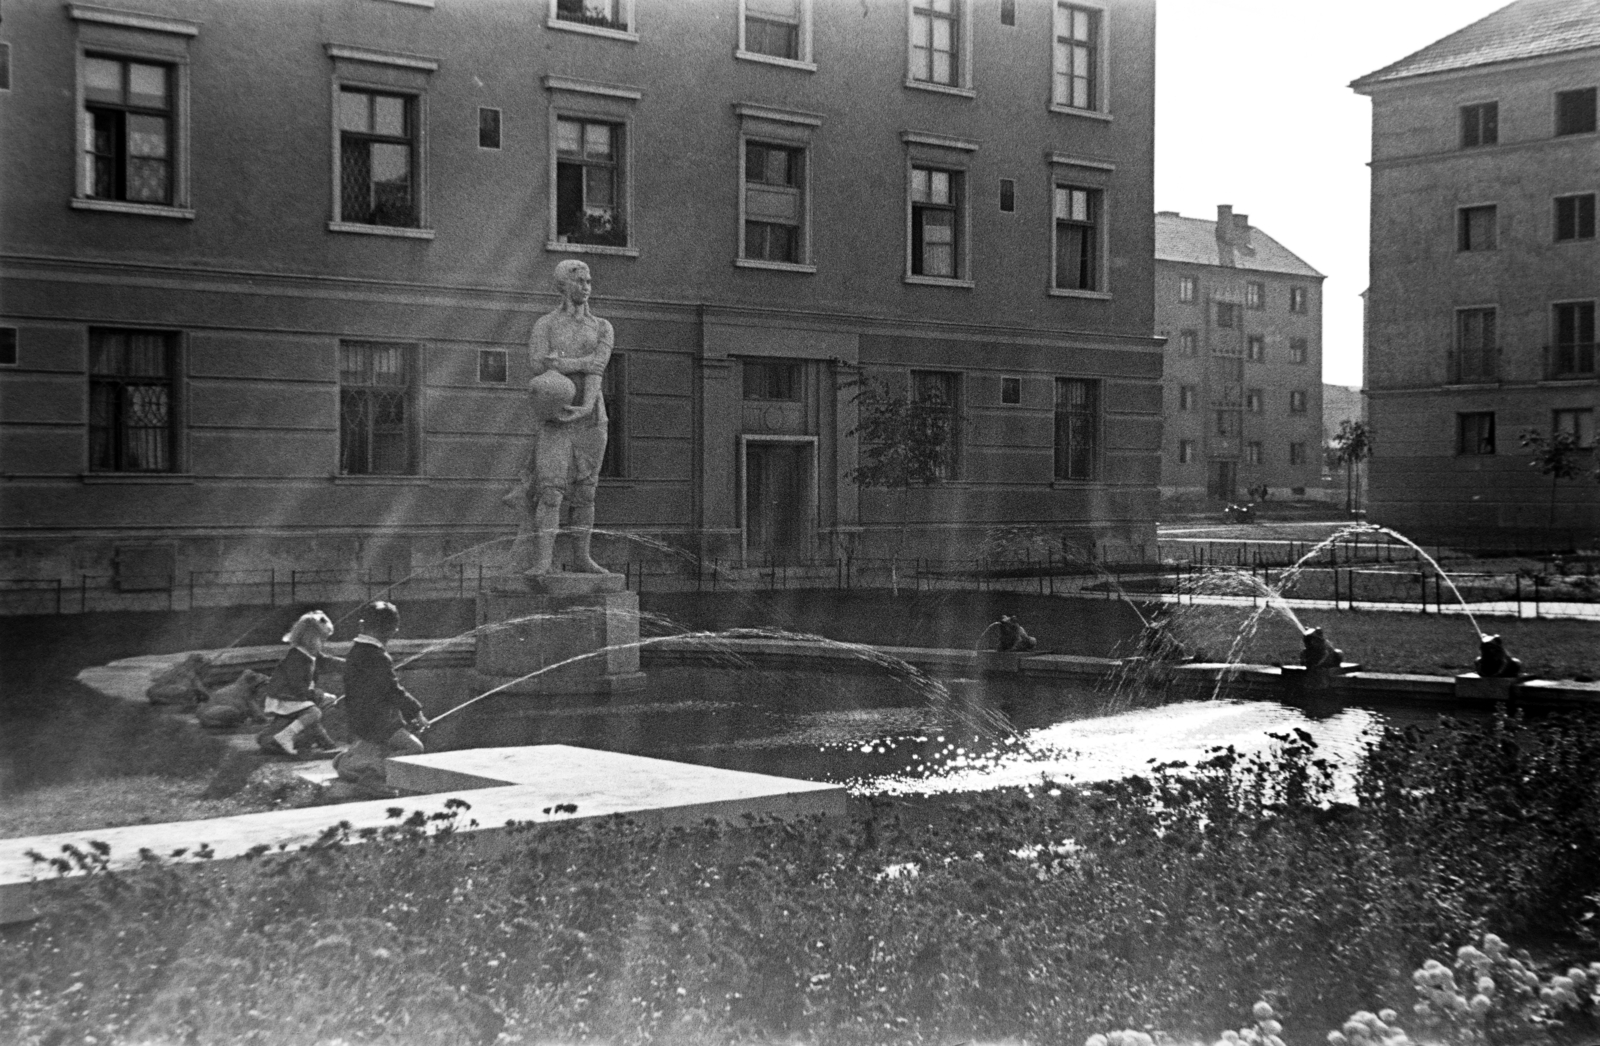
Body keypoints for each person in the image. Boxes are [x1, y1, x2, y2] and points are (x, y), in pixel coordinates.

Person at [505, 259, 616, 576]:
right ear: (562, 286)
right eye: (579, 281)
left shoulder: (602, 327)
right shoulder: (545, 325)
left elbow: (597, 367)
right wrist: (574, 365)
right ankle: (542, 562)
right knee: (551, 492)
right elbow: (539, 364)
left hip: (592, 418)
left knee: (585, 492)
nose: (586, 287)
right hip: (556, 418)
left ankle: (582, 558)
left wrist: (584, 402)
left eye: (588, 281)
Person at [332, 601, 427, 792]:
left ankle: (350, 760)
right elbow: (392, 690)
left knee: (393, 743)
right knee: (415, 748)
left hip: (360, 719)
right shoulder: (378, 656)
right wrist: (416, 713)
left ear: (361, 625)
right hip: (378, 722)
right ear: (392, 631)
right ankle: (371, 776)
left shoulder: (356, 651)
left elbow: (360, 687)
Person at [257, 610, 343, 757]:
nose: (324, 644)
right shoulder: (298, 659)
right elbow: (298, 688)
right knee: (314, 712)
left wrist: (351, 664)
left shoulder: (307, 653)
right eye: (322, 640)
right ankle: (287, 737)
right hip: (287, 696)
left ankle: (278, 738)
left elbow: (327, 661)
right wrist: (319, 695)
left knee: (313, 711)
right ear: (311, 638)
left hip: (292, 696)